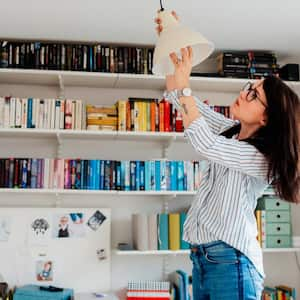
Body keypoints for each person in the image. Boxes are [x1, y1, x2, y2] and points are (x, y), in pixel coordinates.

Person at [155, 11, 300, 300]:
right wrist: (169, 40)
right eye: (250, 87)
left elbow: (204, 143)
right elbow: (180, 99)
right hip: (203, 258)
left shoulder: (261, 158)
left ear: (268, 118)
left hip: (232, 260)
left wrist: (185, 87)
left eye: (254, 95)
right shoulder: (231, 131)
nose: (244, 93)